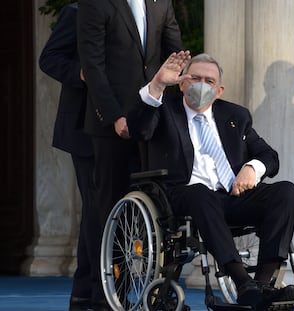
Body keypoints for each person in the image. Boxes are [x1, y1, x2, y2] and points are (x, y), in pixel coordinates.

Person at [128, 52, 294, 309]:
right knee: (200, 193)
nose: (201, 84)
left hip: (231, 195)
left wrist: (252, 168)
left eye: (209, 81)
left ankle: (263, 284)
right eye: (194, 78)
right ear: (183, 83)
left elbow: (269, 155)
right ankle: (242, 281)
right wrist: (158, 85)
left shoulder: (235, 116)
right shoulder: (164, 109)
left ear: (219, 90)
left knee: (286, 192)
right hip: (184, 195)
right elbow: (139, 130)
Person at [77, 0, 183, 308]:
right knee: (108, 210)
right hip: (113, 124)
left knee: (155, 209)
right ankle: (105, 297)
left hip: (153, 121)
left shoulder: (161, 2)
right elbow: (93, 65)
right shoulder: (95, 4)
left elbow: (174, 53)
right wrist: (113, 116)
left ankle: (155, 290)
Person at [38, 3, 98, 310]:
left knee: (113, 209)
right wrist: (81, 72)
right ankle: (86, 290)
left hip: (131, 127)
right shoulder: (78, 10)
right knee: (95, 207)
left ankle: (95, 289)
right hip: (85, 128)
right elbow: (48, 58)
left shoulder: (146, 12)